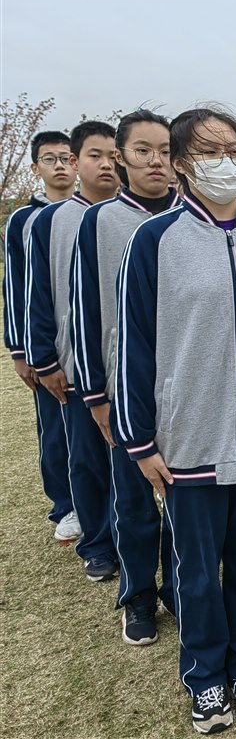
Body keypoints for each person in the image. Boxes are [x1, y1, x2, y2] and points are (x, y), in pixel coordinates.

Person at [114, 106, 236, 732]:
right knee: (196, 574)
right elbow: (133, 346)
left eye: (233, 149)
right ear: (179, 164)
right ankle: (203, 674)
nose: (224, 161)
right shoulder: (154, 241)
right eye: (207, 151)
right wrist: (140, 440)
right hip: (189, 439)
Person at [71, 109, 179, 644]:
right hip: (124, 390)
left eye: (165, 150)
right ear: (121, 157)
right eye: (143, 150)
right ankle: (138, 595)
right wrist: (96, 394)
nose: (156, 161)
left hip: (186, 389)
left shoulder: (193, 216)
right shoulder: (100, 221)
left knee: (183, 501)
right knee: (134, 502)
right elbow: (86, 311)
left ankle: (179, 588)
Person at [26, 120, 120, 580]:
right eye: (94, 155)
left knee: (132, 461)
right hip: (76, 364)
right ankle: (98, 543)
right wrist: (43, 359)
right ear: (74, 161)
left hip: (131, 366)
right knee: (86, 458)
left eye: (113, 155)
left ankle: (140, 538)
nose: (106, 164)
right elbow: (37, 294)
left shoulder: (137, 217)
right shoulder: (52, 221)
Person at [3, 130, 78, 541]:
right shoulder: (24, 220)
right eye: (50, 159)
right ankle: (66, 505)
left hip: (84, 342)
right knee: (54, 428)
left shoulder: (92, 212)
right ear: (36, 168)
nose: (60, 165)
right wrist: (21, 349)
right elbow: (18, 287)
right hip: (45, 345)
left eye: (66, 157)